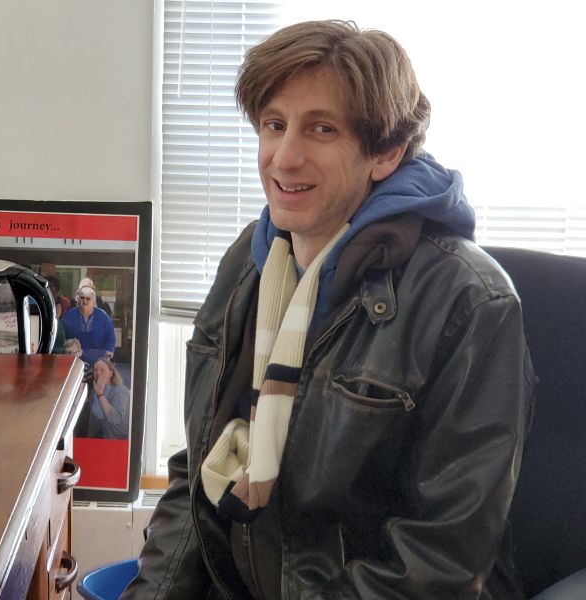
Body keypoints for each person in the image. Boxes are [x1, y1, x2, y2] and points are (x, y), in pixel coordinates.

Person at [123, 20, 534, 599]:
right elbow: (200, 473)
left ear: (387, 152)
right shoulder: (251, 261)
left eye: (321, 129)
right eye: (274, 125)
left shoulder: (469, 300)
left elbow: (439, 560)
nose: (284, 158)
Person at [60, 279, 115, 366]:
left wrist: (109, 350)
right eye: (82, 298)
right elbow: (62, 336)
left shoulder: (103, 316)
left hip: (98, 359)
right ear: (77, 300)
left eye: (88, 299)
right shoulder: (69, 315)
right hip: (75, 359)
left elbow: (110, 336)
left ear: (94, 301)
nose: (84, 301)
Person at [86, 357, 130, 439]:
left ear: (111, 373)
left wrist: (100, 395)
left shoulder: (120, 391)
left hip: (118, 439)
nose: (98, 373)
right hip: (99, 437)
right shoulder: (93, 391)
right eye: (95, 370)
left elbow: (115, 418)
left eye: (102, 370)